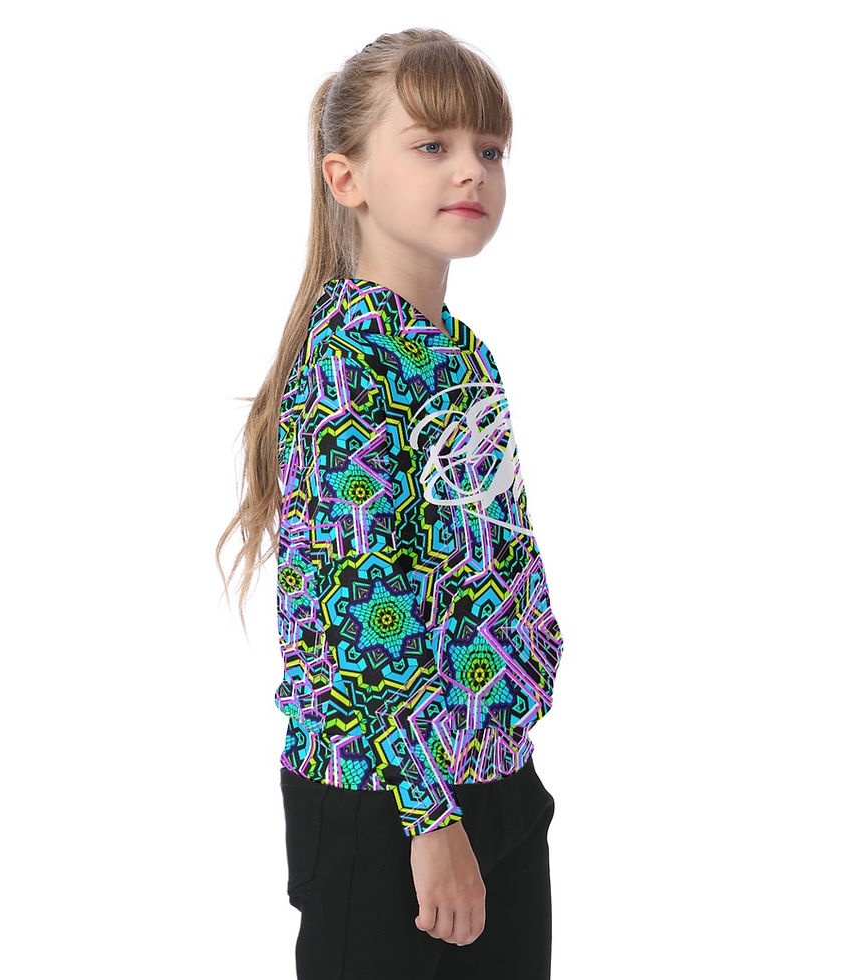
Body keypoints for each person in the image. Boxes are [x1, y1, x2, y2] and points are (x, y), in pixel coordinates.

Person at [216, 27, 565, 980]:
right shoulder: (346, 363)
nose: (471, 170)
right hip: (388, 802)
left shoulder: (462, 353)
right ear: (347, 178)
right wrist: (430, 815)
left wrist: (517, 712)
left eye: (491, 149)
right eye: (432, 145)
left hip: (494, 775)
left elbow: (495, 556)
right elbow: (363, 608)